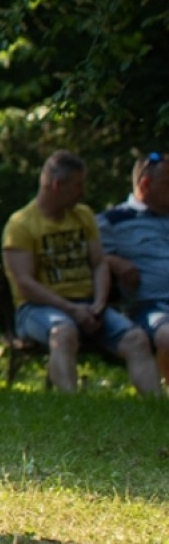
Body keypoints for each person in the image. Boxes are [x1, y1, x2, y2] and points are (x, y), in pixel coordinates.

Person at [1, 149, 159, 395]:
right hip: (37, 310)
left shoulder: (83, 215)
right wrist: (70, 309)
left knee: (136, 339)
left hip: (88, 305)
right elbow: (24, 284)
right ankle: (71, 404)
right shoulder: (20, 224)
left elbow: (99, 263)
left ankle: (155, 405)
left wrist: (98, 303)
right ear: (56, 185)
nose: (83, 192)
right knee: (63, 332)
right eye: (77, 185)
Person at [98, 151, 169, 388]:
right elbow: (90, 259)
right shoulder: (111, 221)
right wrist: (112, 261)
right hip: (151, 307)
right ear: (145, 184)